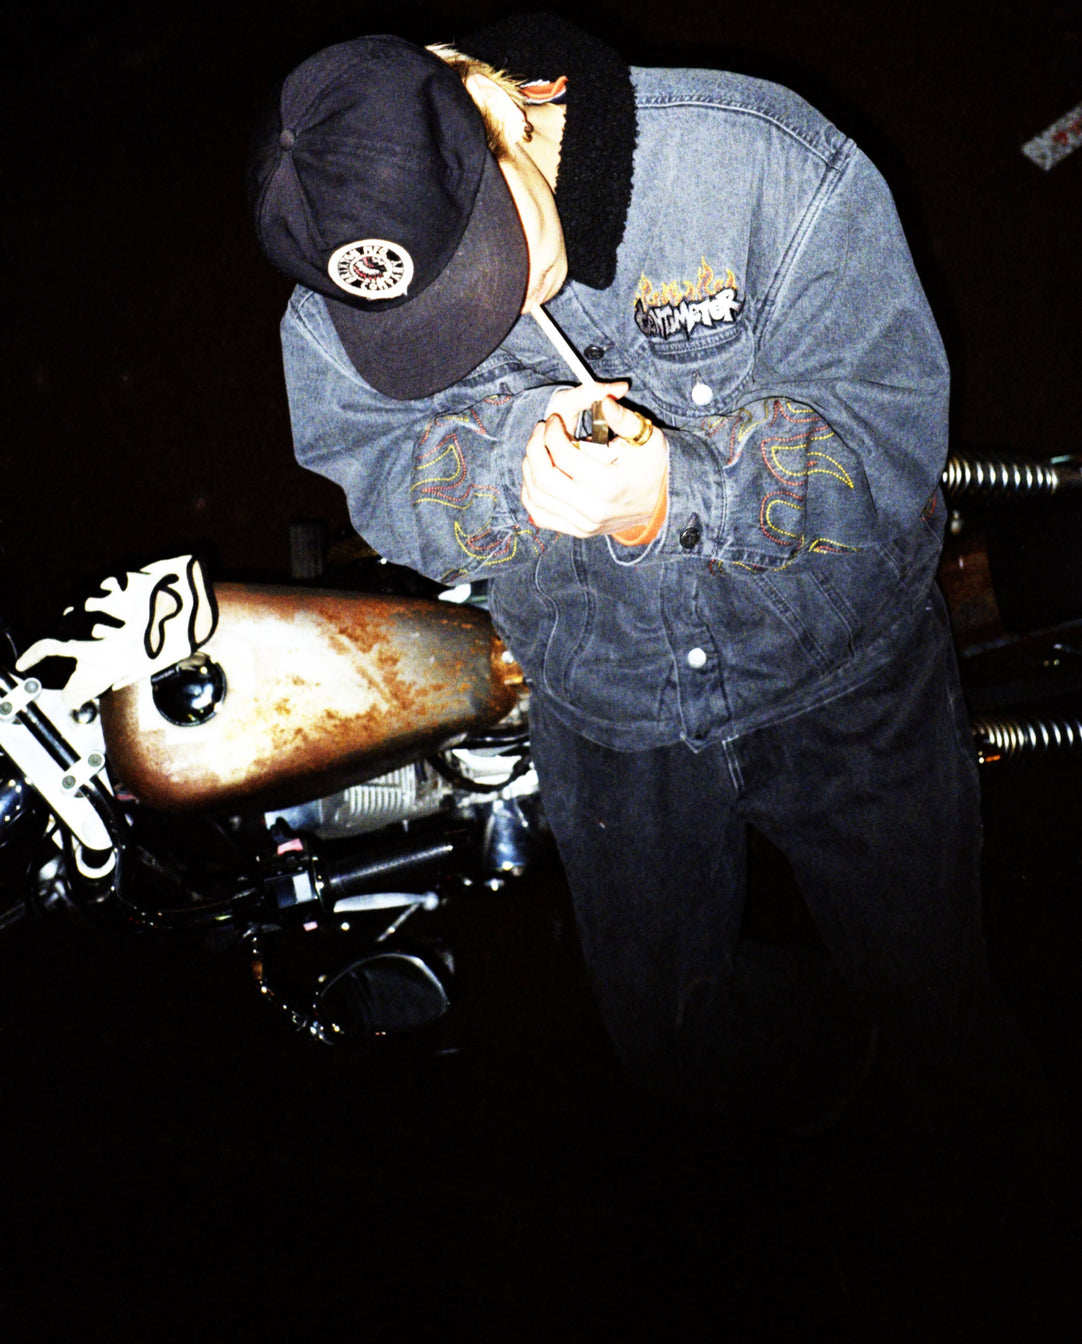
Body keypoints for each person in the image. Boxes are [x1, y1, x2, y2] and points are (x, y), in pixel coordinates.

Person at [249, 15, 989, 1136]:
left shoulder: (758, 161)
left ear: (494, 114)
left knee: (933, 993)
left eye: (485, 265)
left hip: (842, 678)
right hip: (607, 712)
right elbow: (379, 468)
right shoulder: (338, 296)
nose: (494, 313)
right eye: (432, 322)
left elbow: (890, 439)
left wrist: (677, 491)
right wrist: (502, 470)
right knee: (671, 1037)